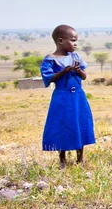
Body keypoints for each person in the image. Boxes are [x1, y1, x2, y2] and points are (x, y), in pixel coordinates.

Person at [40, 25, 95, 169]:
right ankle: (62, 159)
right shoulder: (50, 60)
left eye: (76, 41)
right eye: (73, 40)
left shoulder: (75, 57)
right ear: (60, 41)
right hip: (62, 97)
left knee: (79, 124)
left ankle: (80, 158)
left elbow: (84, 76)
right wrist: (63, 71)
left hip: (78, 96)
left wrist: (78, 71)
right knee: (62, 125)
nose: (75, 44)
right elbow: (49, 78)